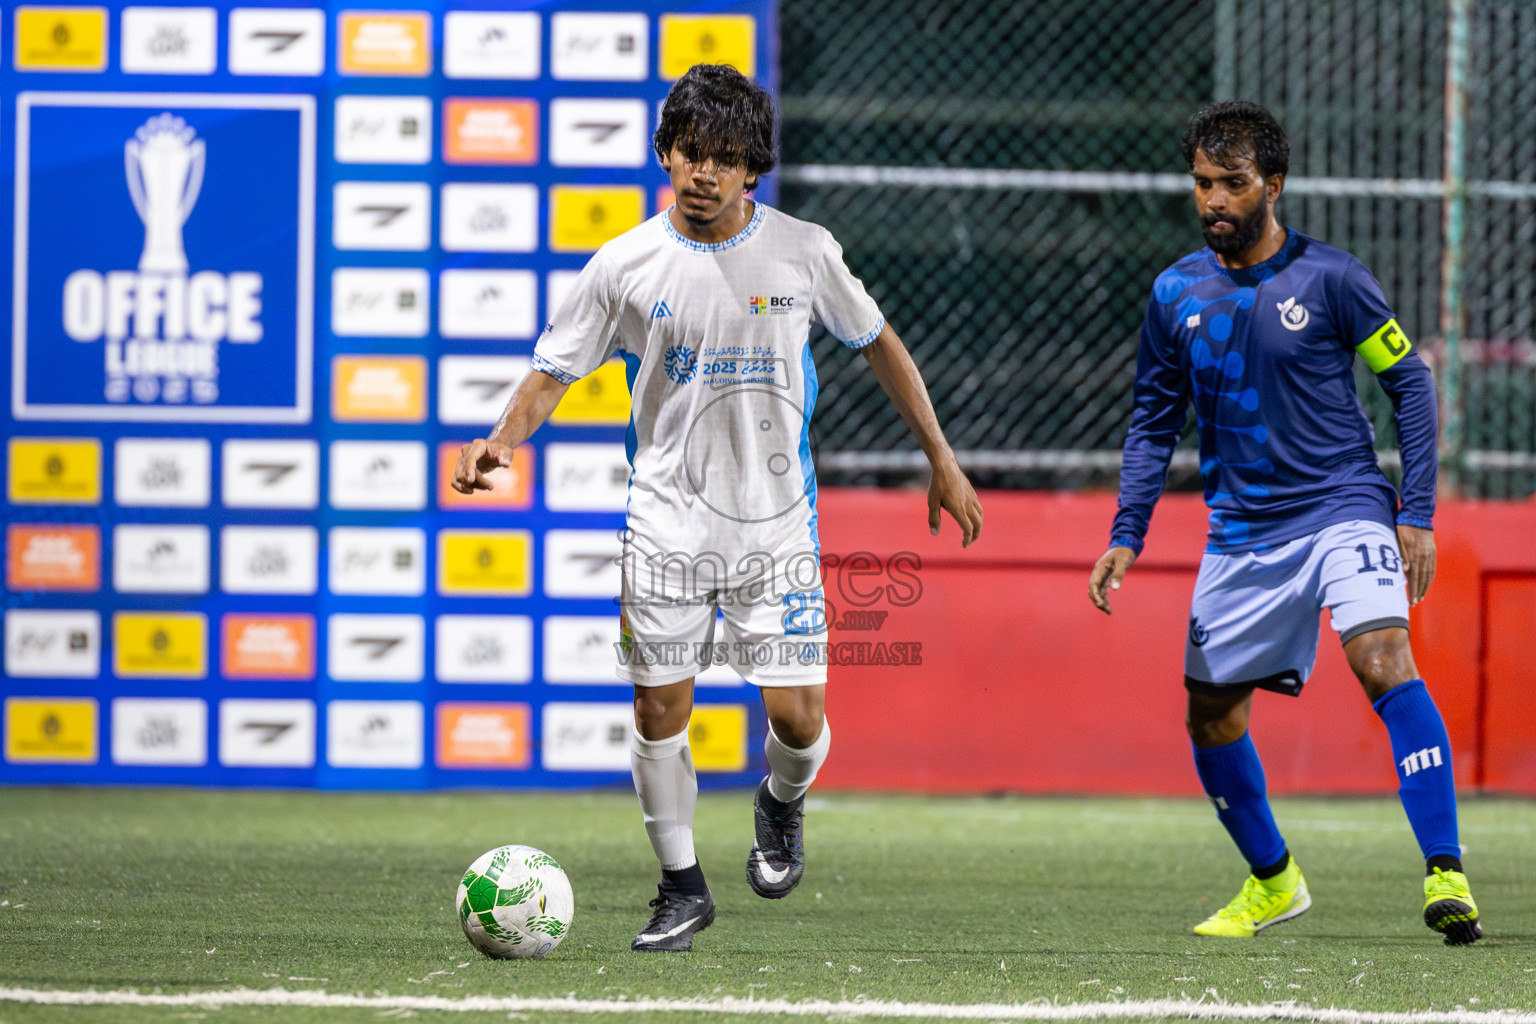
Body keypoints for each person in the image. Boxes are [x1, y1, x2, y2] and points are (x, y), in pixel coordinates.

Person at [453, 63, 982, 952]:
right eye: (691, 153)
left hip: (775, 528)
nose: (704, 173)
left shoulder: (805, 251)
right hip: (664, 521)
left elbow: (878, 343)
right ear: (667, 153)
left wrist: (941, 457)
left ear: (753, 168)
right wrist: (502, 439)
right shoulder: (623, 264)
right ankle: (681, 887)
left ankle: (780, 803)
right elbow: (555, 371)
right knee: (659, 708)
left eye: (725, 158)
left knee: (798, 721)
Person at [1086, 101, 1479, 945]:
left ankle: (1445, 871)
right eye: (1202, 184)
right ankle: (1274, 881)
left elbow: (1410, 383)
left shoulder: (1334, 279)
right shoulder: (1175, 293)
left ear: (1274, 184)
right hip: (1243, 531)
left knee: (1382, 656)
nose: (1214, 200)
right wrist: (1127, 531)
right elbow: (1155, 422)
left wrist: (1415, 514)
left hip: (1344, 503)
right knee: (1211, 715)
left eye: (1232, 183)